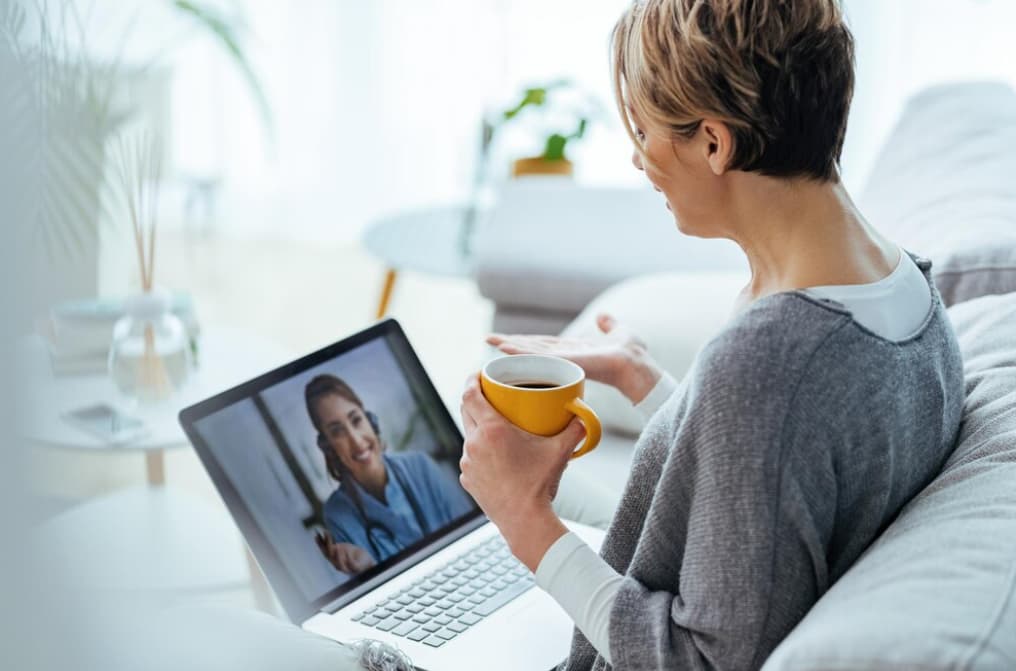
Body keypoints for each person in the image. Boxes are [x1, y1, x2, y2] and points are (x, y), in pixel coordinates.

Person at [458, 1, 965, 669]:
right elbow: (775, 480)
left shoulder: (770, 361)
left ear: (714, 142)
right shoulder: (905, 287)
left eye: (643, 130)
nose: (638, 159)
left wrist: (527, 522)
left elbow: (704, 659)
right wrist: (645, 379)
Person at [305, 374, 475, 575]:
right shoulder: (338, 514)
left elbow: (472, 534)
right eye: (337, 432)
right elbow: (368, 591)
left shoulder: (420, 467)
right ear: (328, 447)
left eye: (356, 420)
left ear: (370, 420)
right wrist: (367, 568)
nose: (356, 440)